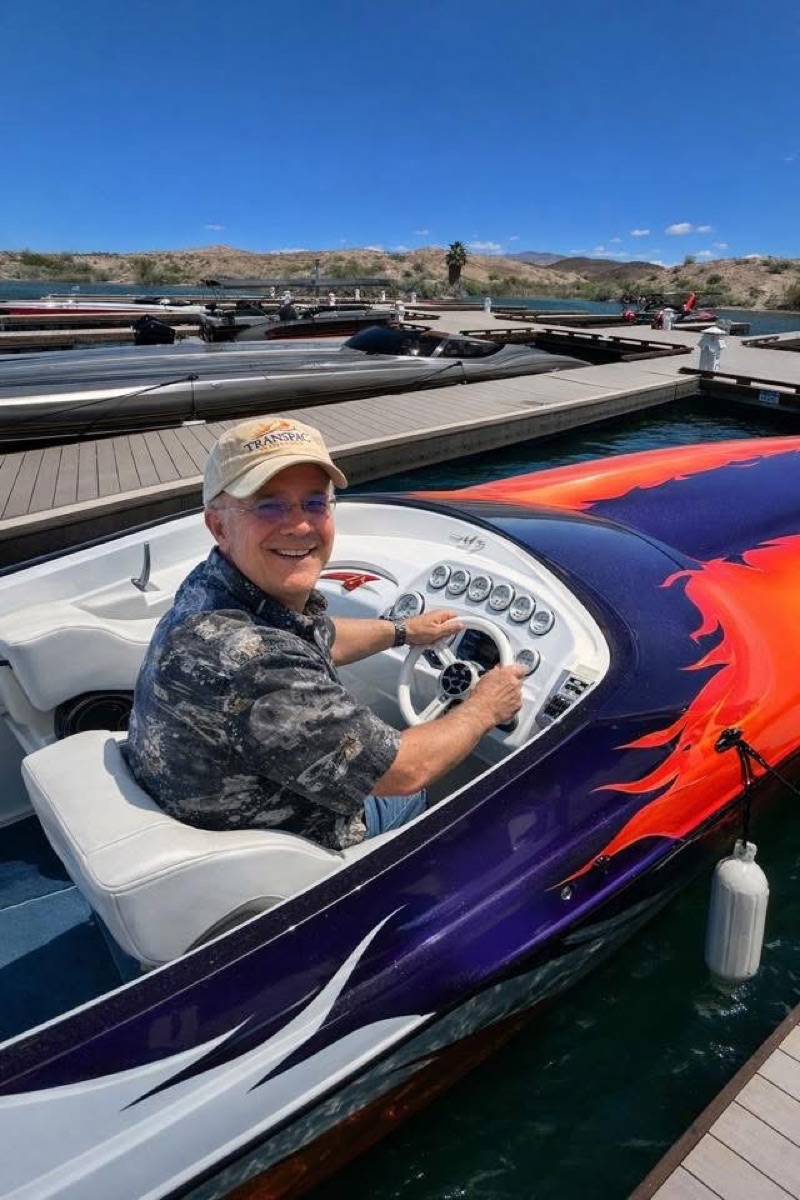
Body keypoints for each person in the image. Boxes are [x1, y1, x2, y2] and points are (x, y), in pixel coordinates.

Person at [125, 417, 524, 851]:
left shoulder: (212, 587)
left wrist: (403, 632)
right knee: (427, 798)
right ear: (219, 525)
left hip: (206, 796)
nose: (299, 527)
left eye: (315, 504)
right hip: (281, 838)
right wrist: (484, 707)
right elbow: (406, 771)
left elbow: (318, 638)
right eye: (269, 506)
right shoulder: (259, 665)